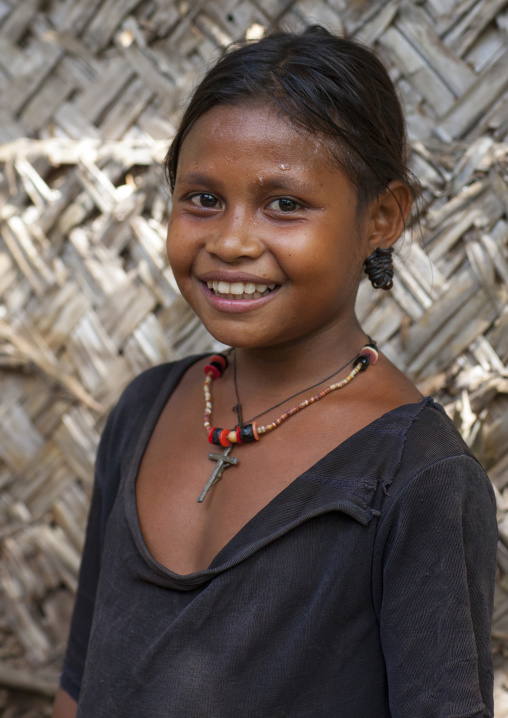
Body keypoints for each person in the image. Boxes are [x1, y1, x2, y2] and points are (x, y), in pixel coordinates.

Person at [52, 26, 497, 718]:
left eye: (284, 204)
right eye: (201, 198)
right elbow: (79, 687)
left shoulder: (416, 478)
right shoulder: (145, 410)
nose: (230, 241)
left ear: (382, 217)